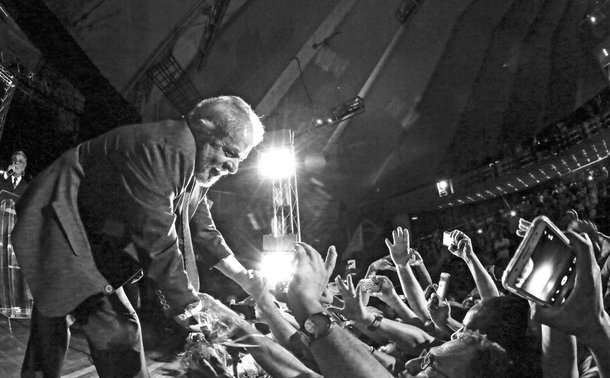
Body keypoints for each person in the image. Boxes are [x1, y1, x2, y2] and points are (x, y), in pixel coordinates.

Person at [12, 95, 264, 377]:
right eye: (229, 152)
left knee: (110, 329)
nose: (233, 168)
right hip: (63, 227)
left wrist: (243, 277)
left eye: (240, 159)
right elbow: (156, 234)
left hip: (92, 245)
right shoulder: (164, 149)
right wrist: (189, 305)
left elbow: (202, 230)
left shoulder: (192, 166)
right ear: (203, 127)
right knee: (73, 324)